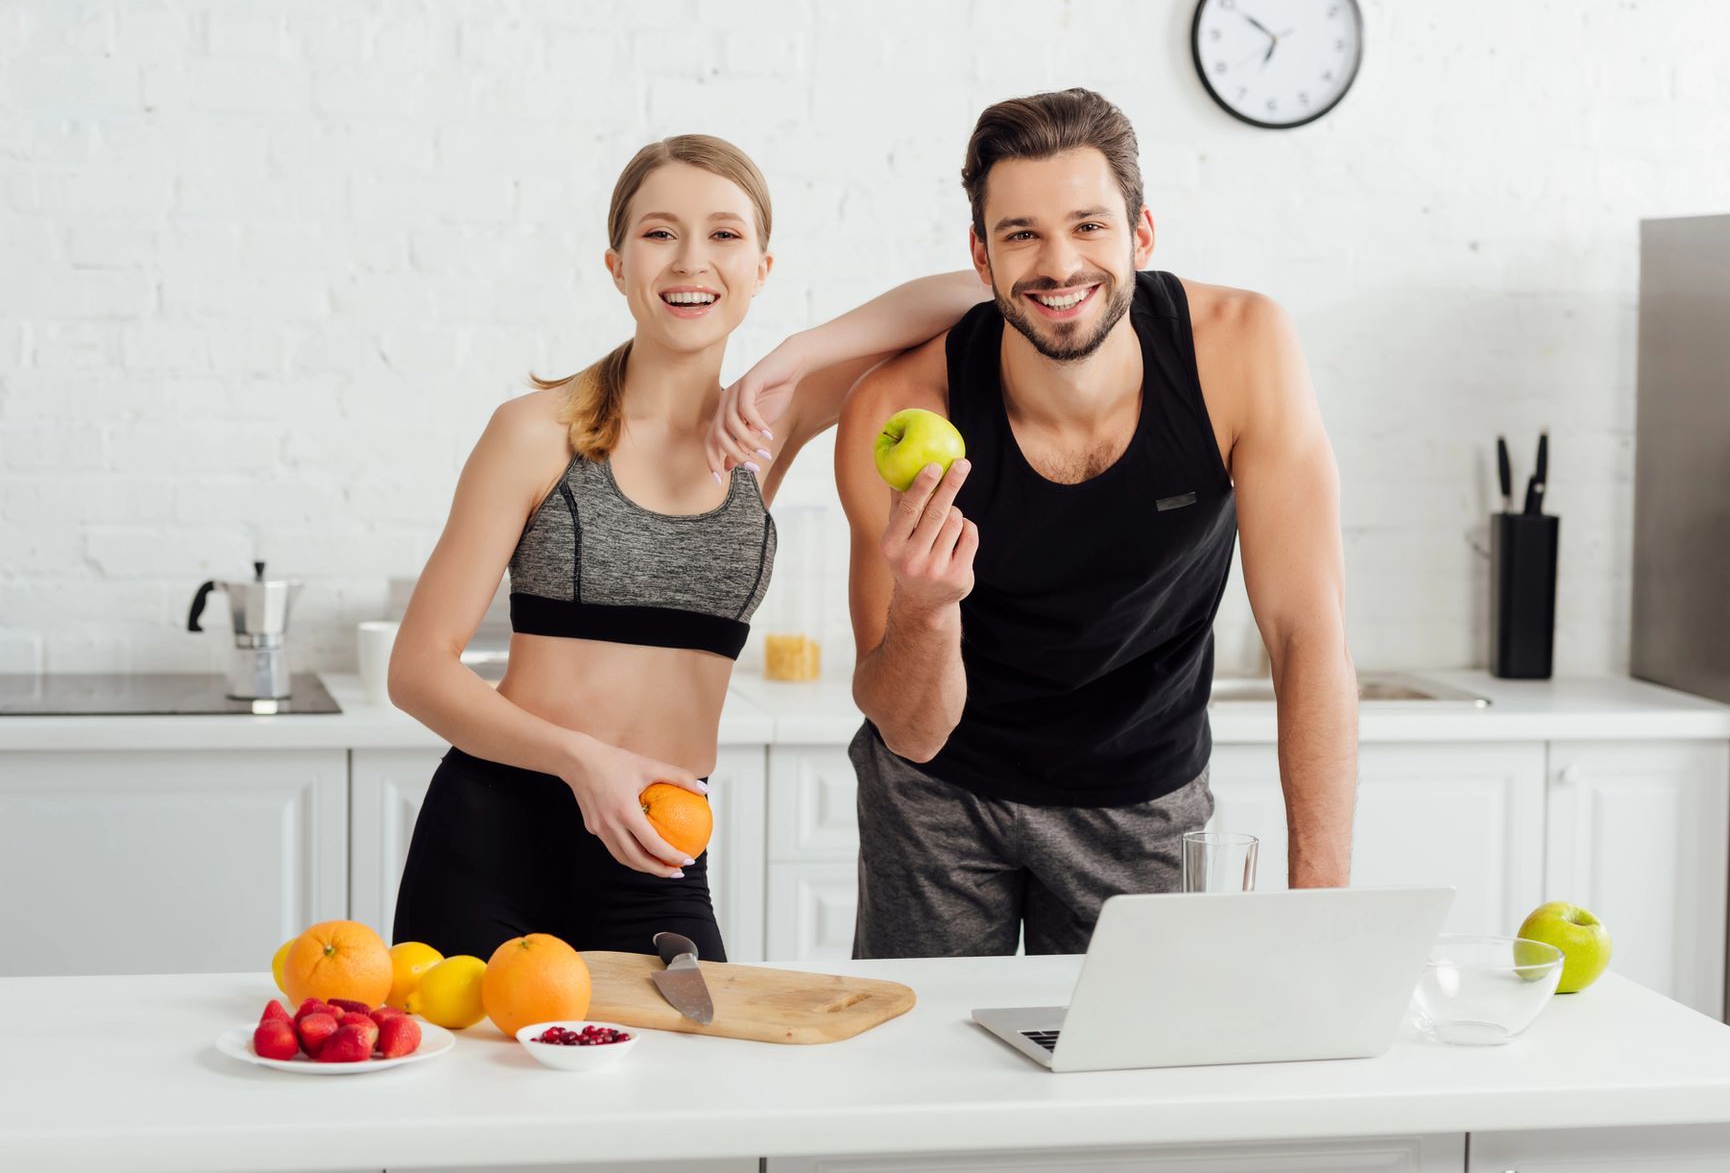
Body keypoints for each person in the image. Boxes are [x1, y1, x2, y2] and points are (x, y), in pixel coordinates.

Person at [387, 134, 985, 962]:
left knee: (690, 1082)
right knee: (474, 1088)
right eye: (660, 233)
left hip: (662, 846)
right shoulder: (537, 433)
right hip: (496, 835)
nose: (689, 261)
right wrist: (584, 763)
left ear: (762, 269)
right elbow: (418, 669)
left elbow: (981, 293)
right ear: (616, 263)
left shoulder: (766, 430)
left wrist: (800, 353)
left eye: (725, 235)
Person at [835, 88, 1357, 958]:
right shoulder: (900, 408)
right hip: (938, 802)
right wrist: (926, 610)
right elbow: (910, 727)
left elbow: (1309, 636)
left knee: (1137, 1076)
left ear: (1141, 235)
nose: (1059, 264)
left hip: (1145, 795)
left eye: (1088, 226)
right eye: (1021, 234)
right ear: (982, 255)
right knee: (921, 1074)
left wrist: (1322, 907)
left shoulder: (1241, 352)